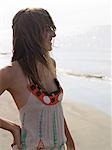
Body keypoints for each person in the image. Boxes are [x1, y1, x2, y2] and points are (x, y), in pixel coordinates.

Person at [0, 8, 75, 150]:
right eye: (47, 29)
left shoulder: (51, 64)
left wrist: (70, 143)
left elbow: (56, 109)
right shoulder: (10, 73)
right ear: (31, 34)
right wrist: (12, 128)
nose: (53, 34)